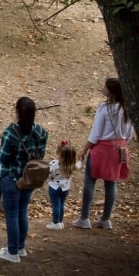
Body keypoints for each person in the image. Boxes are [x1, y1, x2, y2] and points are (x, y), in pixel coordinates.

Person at [73, 78, 134, 230]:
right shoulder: (127, 109)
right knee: (111, 183)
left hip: (101, 151)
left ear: (111, 91)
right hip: (119, 149)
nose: (102, 89)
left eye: (105, 87)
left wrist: (83, 150)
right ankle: (106, 219)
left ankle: (84, 217)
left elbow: (95, 134)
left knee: (89, 181)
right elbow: (129, 135)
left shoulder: (104, 108)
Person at [0, 96, 48, 263]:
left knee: (11, 214)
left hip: (12, 178)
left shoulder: (11, 133)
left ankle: (12, 252)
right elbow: (41, 155)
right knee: (22, 211)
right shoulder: (41, 132)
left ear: (17, 112)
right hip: (30, 177)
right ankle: (20, 247)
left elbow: (3, 158)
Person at [46, 139, 77, 229]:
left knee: (56, 205)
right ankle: (60, 221)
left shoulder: (54, 164)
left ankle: (55, 223)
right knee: (61, 204)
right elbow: (79, 164)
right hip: (65, 188)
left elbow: (48, 172)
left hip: (54, 187)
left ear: (59, 152)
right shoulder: (73, 165)